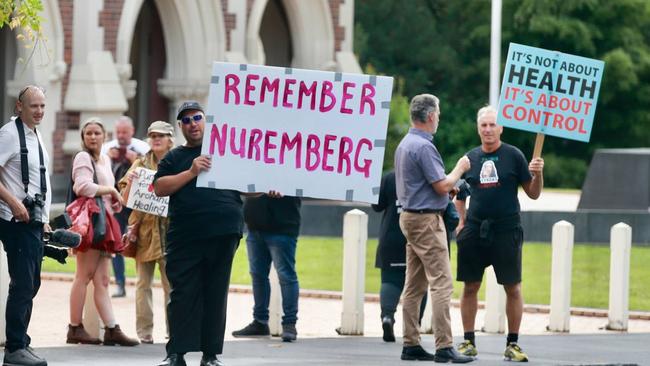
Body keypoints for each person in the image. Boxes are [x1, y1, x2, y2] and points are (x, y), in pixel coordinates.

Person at [154, 101, 280, 366]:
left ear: (206, 120)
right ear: (180, 127)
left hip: (224, 231)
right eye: (186, 121)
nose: (193, 124)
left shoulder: (226, 151)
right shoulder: (174, 157)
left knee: (215, 292)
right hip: (185, 235)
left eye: (197, 118)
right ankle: (176, 352)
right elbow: (160, 187)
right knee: (182, 293)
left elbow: (248, 186)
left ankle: (210, 355)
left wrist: (268, 187)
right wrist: (191, 171)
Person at [454, 105, 544, 362]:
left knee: (512, 287)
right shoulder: (469, 158)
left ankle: (512, 344)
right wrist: (461, 223)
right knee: (470, 286)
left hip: (507, 229)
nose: (488, 129)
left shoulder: (514, 155)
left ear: (501, 127)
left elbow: (534, 193)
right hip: (475, 229)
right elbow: (460, 193)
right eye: (484, 125)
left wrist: (538, 174)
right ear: (478, 128)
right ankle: (468, 341)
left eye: (493, 124)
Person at [393, 94, 473, 363]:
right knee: (442, 283)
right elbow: (440, 184)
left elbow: (426, 187)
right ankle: (444, 346)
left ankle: (411, 342)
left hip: (410, 218)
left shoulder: (405, 144)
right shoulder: (424, 147)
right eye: (437, 113)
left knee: (414, 285)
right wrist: (460, 169)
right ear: (429, 116)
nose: (438, 118)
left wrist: (448, 190)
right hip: (427, 221)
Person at [66, 117, 139, 347]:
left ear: (104, 136)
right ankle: (74, 328)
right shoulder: (82, 157)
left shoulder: (105, 159)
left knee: (103, 281)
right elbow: (82, 186)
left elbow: (106, 194)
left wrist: (116, 200)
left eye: (97, 133)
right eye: (88, 133)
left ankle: (111, 329)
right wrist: (111, 190)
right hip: (92, 224)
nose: (93, 137)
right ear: (83, 137)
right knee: (83, 276)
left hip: (105, 223)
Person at [0, 85, 50, 366]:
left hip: (33, 220)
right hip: (14, 220)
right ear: (19, 106)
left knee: (31, 282)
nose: (40, 111)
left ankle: (21, 342)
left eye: (42, 106)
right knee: (23, 284)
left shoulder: (35, 134)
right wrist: (14, 203)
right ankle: (14, 349)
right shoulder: (9, 135)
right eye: (34, 106)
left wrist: (41, 219)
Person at [118, 121, 174, 344]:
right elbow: (124, 197)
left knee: (172, 285)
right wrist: (131, 182)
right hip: (144, 232)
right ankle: (145, 331)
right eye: (152, 135)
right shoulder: (140, 163)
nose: (156, 139)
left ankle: (174, 330)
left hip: (171, 232)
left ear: (170, 139)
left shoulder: (178, 162)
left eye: (161, 135)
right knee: (143, 284)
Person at [232, 195, 301, 342]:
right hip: (255, 223)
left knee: (286, 275)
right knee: (258, 275)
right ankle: (260, 322)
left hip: (282, 223)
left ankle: (289, 324)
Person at [371, 170, 428, 343]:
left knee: (390, 279)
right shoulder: (426, 175)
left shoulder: (390, 178)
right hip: (418, 234)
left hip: (391, 236)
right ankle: (414, 325)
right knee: (418, 283)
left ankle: (387, 317)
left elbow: (377, 206)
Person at [102, 116, 150, 298]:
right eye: (118, 132)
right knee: (116, 241)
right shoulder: (107, 149)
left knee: (141, 240)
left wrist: (136, 160)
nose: (121, 136)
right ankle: (120, 284)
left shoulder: (143, 149)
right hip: (116, 202)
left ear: (132, 130)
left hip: (137, 203)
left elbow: (151, 172)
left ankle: (142, 282)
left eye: (124, 132)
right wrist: (108, 158)